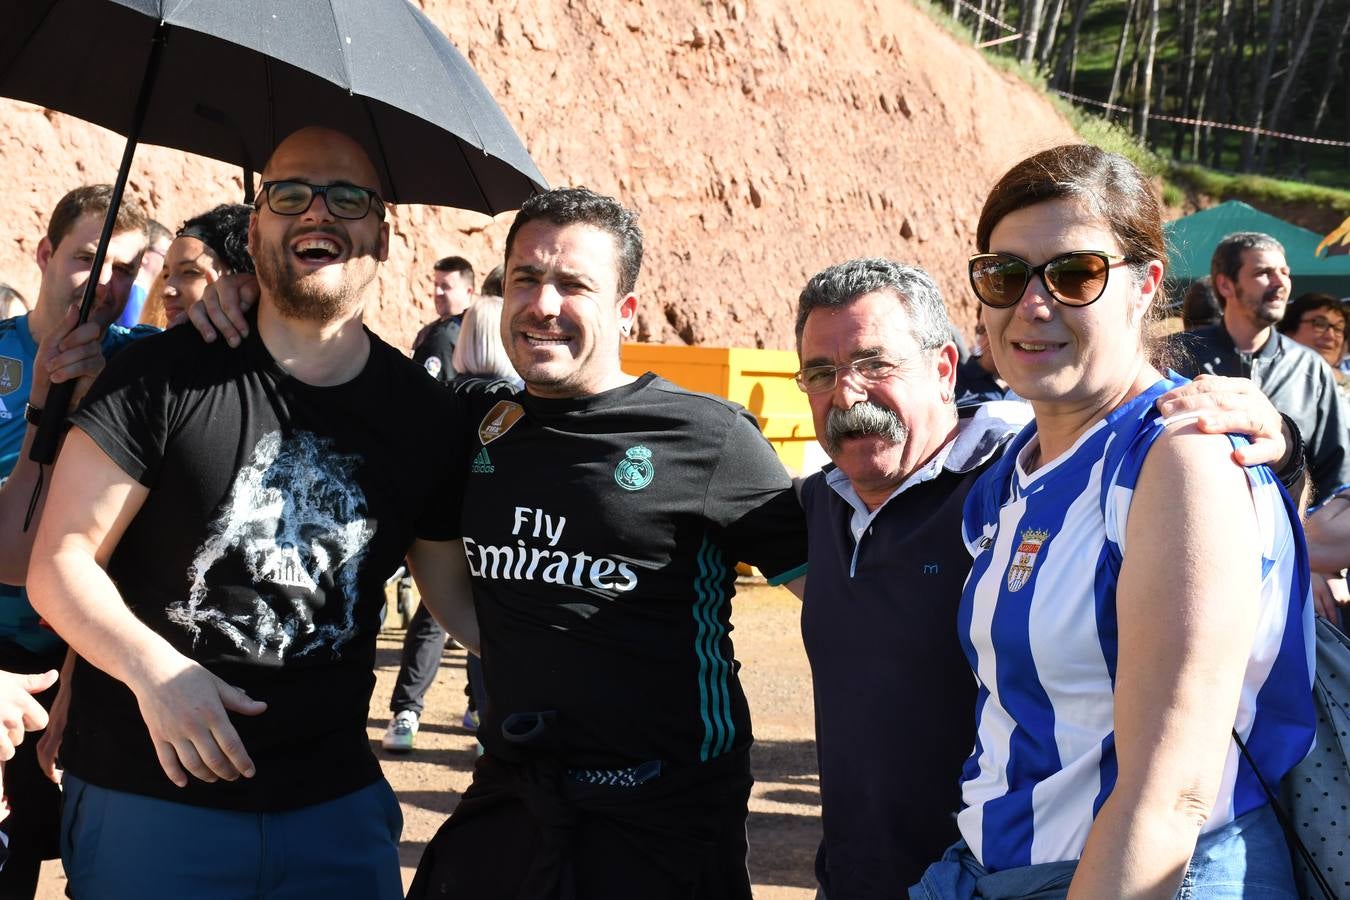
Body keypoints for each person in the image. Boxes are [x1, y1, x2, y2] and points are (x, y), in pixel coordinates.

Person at [27, 127, 479, 899]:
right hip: (150, 802)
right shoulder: (160, 377)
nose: (318, 213)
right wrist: (158, 673)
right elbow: (59, 561)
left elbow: (460, 602)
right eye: (291, 193)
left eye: (348, 197)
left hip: (333, 813)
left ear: (383, 231)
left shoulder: (424, 415)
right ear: (258, 220)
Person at [794, 257, 1298, 899]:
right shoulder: (814, 505)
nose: (848, 393)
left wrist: (1276, 442)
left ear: (946, 369)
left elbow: (1223, 535)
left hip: (1045, 873)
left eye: (875, 364)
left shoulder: (1021, 476)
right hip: (873, 879)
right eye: (822, 372)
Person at [911, 145, 1314, 898]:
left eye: (1074, 274)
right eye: (1004, 275)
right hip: (993, 870)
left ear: (1144, 286)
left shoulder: (1177, 461)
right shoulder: (1013, 467)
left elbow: (1172, 795)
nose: (1033, 305)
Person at [403, 187, 807, 900]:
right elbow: (432, 549)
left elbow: (828, 592)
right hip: (513, 790)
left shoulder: (707, 437)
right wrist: (500, 640)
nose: (544, 303)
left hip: (660, 818)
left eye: (573, 284)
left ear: (624, 310)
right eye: (525, 278)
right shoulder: (473, 422)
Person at [0, 184, 152, 897]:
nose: (104, 283)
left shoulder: (144, 362)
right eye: (88, 258)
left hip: (85, 650)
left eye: (123, 269)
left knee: (78, 860)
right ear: (43, 253)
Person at [382, 294, 520, 753]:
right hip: (498, 546)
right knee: (490, 629)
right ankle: (487, 717)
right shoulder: (520, 407)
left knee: (432, 619)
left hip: (440, 540)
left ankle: (406, 711)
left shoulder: (440, 402)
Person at [1174, 231, 1350, 503]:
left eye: (1285, 272)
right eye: (1263, 273)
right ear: (1226, 285)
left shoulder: (1310, 368)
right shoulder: (1176, 357)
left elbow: (1335, 471)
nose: (1280, 283)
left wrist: (1308, 531)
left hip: (1290, 537)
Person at [138, 203, 254, 328]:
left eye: (190, 272)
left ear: (239, 279)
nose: (166, 291)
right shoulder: (147, 344)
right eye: (166, 275)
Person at [413, 254, 475, 384]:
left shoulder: (478, 334)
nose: (437, 292)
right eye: (436, 285)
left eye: (445, 286)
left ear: (468, 291)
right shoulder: (426, 333)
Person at [115, 219, 171, 328]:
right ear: (144, 254)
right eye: (166, 256)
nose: (169, 263)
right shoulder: (134, 291)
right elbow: (133, 333)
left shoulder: (139, 292)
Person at [954, 306, 1012, 408]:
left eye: (1000, 329)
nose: (991, 339)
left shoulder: (1031, 383)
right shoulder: (955, 384)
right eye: (983, 330)